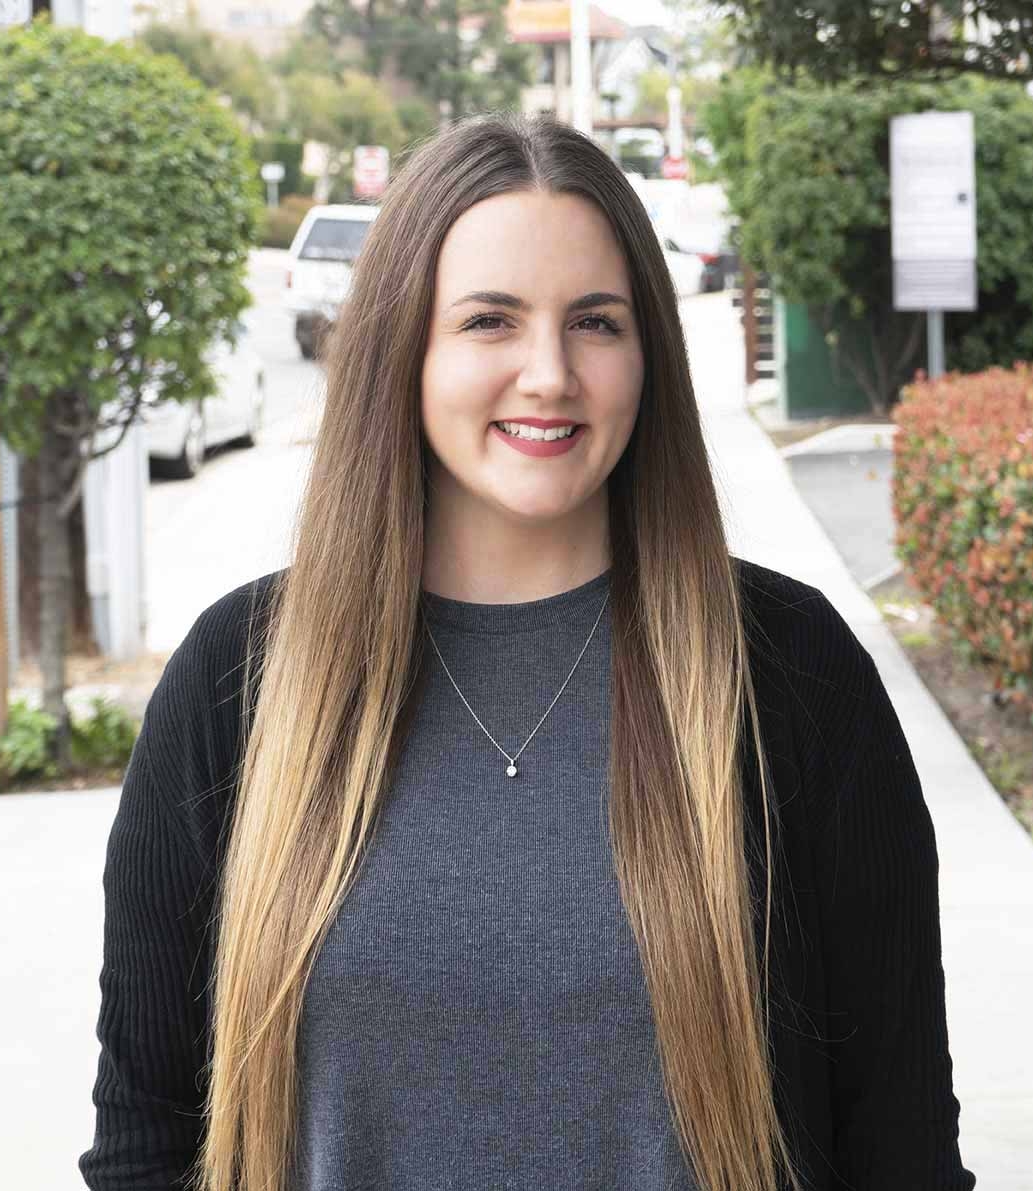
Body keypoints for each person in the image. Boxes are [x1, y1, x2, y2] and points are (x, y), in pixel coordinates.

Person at [78, 112, 976, 1191]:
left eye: (596, 322)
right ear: (401, 347)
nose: (549, 374)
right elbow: (143, 1144)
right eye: (490, 321)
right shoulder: (242, 679)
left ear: (648, 352)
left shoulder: (789, 675)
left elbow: (904, 1151)